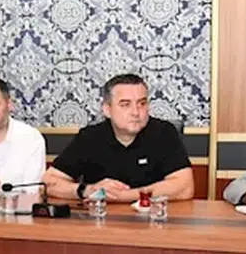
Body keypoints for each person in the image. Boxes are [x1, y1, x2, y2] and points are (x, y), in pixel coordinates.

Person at [43, 74, 194, 202]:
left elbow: (185, 187)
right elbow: (48, 183)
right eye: (125, 104)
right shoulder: (89, 137)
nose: (136, 112)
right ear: (107, 110)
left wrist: (124, 196)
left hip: (153, 220)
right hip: (101, 220)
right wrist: (87, 190)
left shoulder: (163, 133)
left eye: (141, 103)